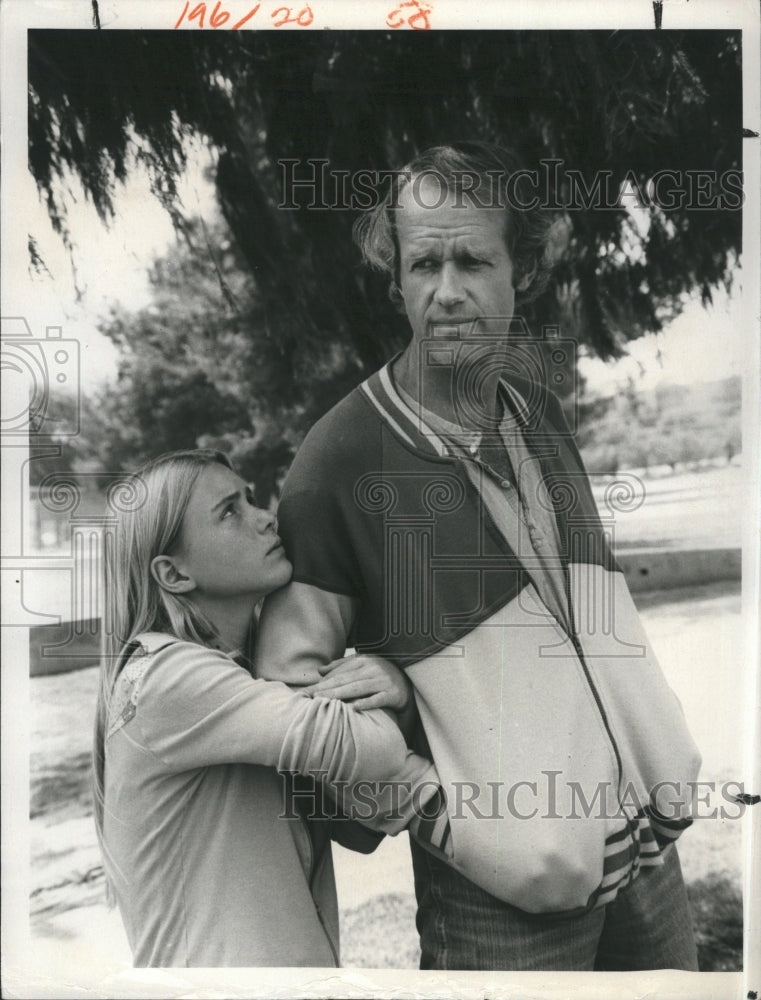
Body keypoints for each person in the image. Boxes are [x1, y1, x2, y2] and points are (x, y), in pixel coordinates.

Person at [255, 142, 702, 970]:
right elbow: (287, 696)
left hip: (645, 849)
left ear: (521, 270)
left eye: (472, 260)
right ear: (394, 279)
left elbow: (587, 615)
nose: (446, 291)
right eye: (422, 264)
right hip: (500, 894)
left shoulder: (533, 408)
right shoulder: (338, 460)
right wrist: (422, 767)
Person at [92, 448, 440, 968]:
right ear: (174, 573)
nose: (265, 516)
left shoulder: (246, 681)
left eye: (251, 499)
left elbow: (356, 824)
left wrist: (392, 690)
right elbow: (369, 750)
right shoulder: (165, 678)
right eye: (229, 511)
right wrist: (387, 696)